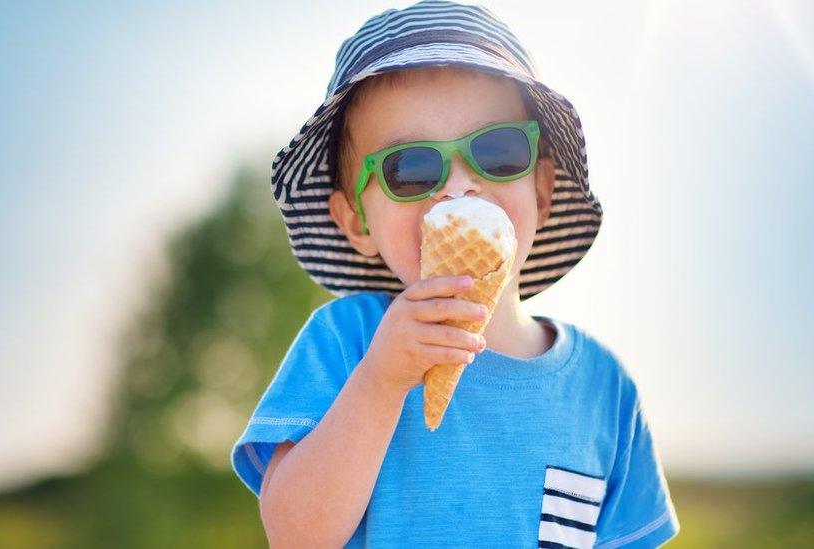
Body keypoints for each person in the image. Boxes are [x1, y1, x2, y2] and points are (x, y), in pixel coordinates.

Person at [230, 1, 680, 547]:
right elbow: (296, 535)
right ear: (357, 223)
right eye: (411, 167)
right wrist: (381, 381)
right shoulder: (347, 343)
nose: (460, 186)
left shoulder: (603, 387)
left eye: (497, 151)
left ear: (540, 189)